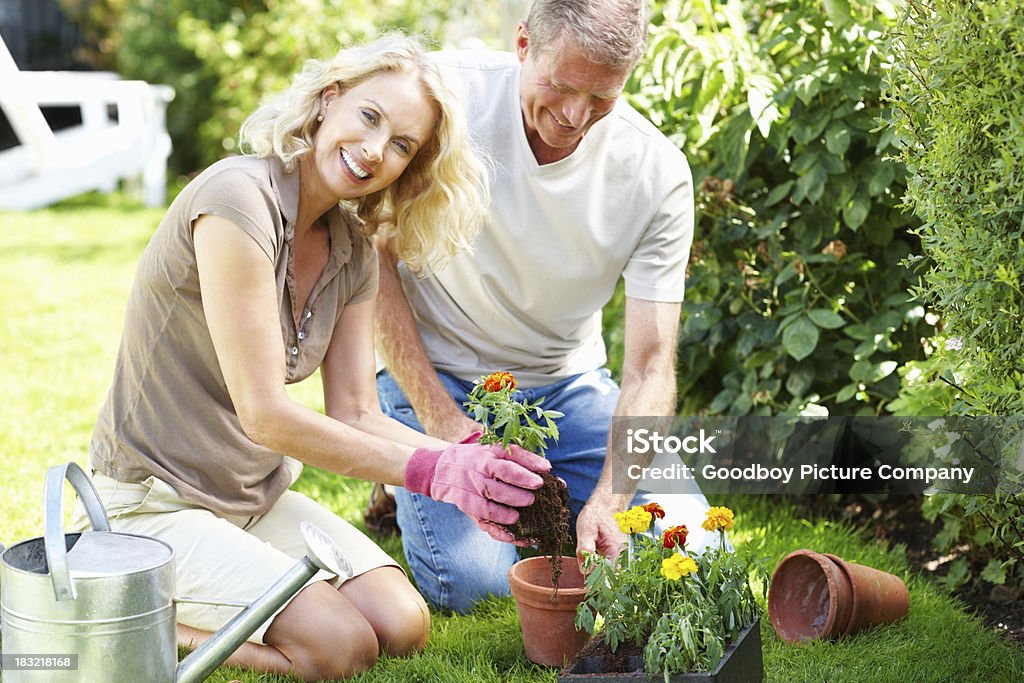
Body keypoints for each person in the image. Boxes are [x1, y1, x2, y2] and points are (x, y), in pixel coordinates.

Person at [76, 34, 550, 682]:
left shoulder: (350, 248)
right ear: (329, 101)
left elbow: (356, 409)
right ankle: (117, 612)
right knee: (338, 646)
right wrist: (435, 472)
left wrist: (468, 459)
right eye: (369, 116)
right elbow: (266, 415)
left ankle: (204, 592)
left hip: (252, 496)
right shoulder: (239, 202)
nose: (375, 149)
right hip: (149, 504)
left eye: (402, 145)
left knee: (401, 623)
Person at [373, 0, 716, 614]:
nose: (574, 116)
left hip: (568, 385)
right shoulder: (443, 101)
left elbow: (650, 367)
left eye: (602, 97)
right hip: (439, 377)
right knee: (475, 588)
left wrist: (610, 499)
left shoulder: (656, 173)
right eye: (561, 86)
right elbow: (375, 256)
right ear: (524, 43)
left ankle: (525, 482)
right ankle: (398, 477)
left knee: (693, 546)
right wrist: (446, 424)